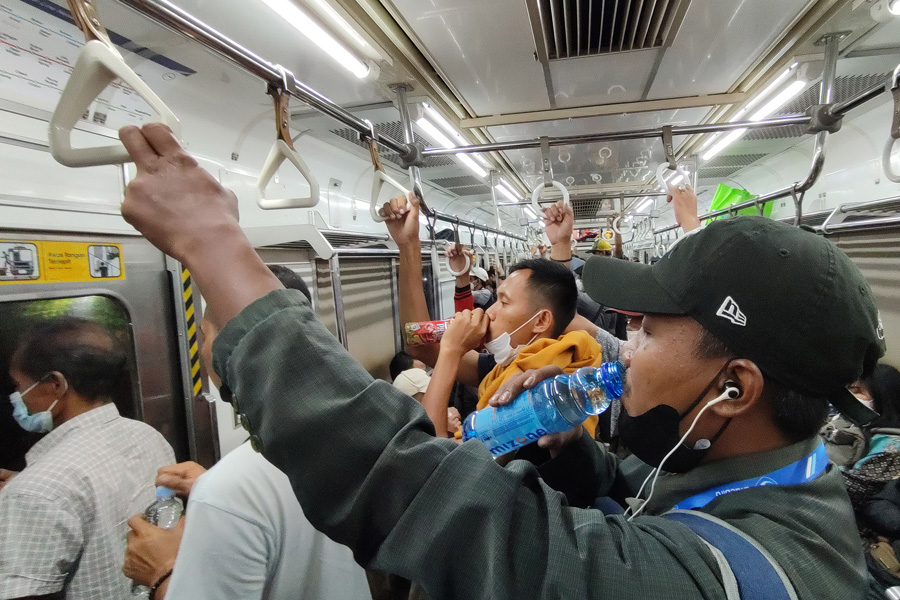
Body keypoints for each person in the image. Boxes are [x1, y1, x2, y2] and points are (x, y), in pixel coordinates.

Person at [116, 123, 885, 599]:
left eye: (646, 331)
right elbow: (653, 498)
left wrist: (215, 250)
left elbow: (432, 504)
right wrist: (574, 454)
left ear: (734, 387)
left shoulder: (731, 580)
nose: (624, 347)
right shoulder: (777, 474)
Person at [122, 264, 371, 600]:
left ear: (232, 346)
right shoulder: (340, 436)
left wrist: (162, 572)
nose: (204, 345)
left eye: (206, 334)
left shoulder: (228, 490)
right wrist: (219, 489)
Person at [383, 193, 603, 443]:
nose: (490, 311)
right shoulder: (507, 364)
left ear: (541, 322)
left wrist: (452, 351)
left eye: (504, 301)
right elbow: (419, 342)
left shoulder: (537, 390)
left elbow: (433, 457)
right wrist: (408, 246)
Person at [0, 317, 174, 600]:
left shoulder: (37, 491)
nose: (18, 398)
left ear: (55, 384)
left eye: (20, 386)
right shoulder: (146, 436)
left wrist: (24, 493)